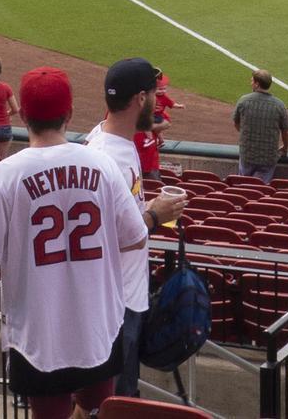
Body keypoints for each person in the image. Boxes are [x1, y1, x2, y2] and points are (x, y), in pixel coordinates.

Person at [0, 68, 149, 419]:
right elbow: (136, 237)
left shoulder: (5, 174)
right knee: (97, 410)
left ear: (25, 115)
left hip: (39, 337)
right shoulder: (103, 164)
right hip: (98, 330)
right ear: (69, 114)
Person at [83, 57, 190, 398]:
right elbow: (104, 236)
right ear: (139, 100)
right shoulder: (108, 157)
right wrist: (154, 216)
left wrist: (145, 208)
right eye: (155, 95)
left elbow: (114, 214)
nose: (159, 102)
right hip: (116, 305)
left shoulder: (109, 140)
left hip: (125, 297)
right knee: (115, 401)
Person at [232, 69, 288, 182]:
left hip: (247, 154)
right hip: (268, 158)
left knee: (242, 187)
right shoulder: (279, 105)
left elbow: (236, 123)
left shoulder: (244, 101)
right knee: (260, 191)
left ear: (257, 84)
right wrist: (285, 148)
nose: (251, 83)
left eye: (252, 81)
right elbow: (286, 131)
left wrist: (247, 135)